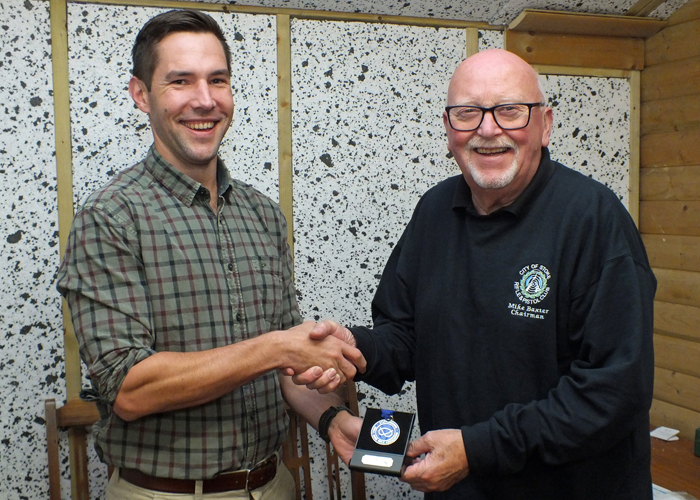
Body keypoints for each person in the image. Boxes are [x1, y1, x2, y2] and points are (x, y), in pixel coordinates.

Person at [301, 49, 657, 499]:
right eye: (468, 113)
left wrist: (477, 449)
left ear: (545, 125)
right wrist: (357, 348)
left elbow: (613, 394)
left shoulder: (594, 220)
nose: (488, 130)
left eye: (510, 111)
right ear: (449, 129)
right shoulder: (434, 211)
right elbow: (406, 339)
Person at [56, 10, 364, 499]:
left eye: (217, 80)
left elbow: (288, 368)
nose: (205, 100)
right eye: (180, 81)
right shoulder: (112, 217)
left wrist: (332, 417)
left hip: (272, 485)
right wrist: (277, 347)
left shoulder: (263, 214)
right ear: (141, 94)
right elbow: (129, 390)